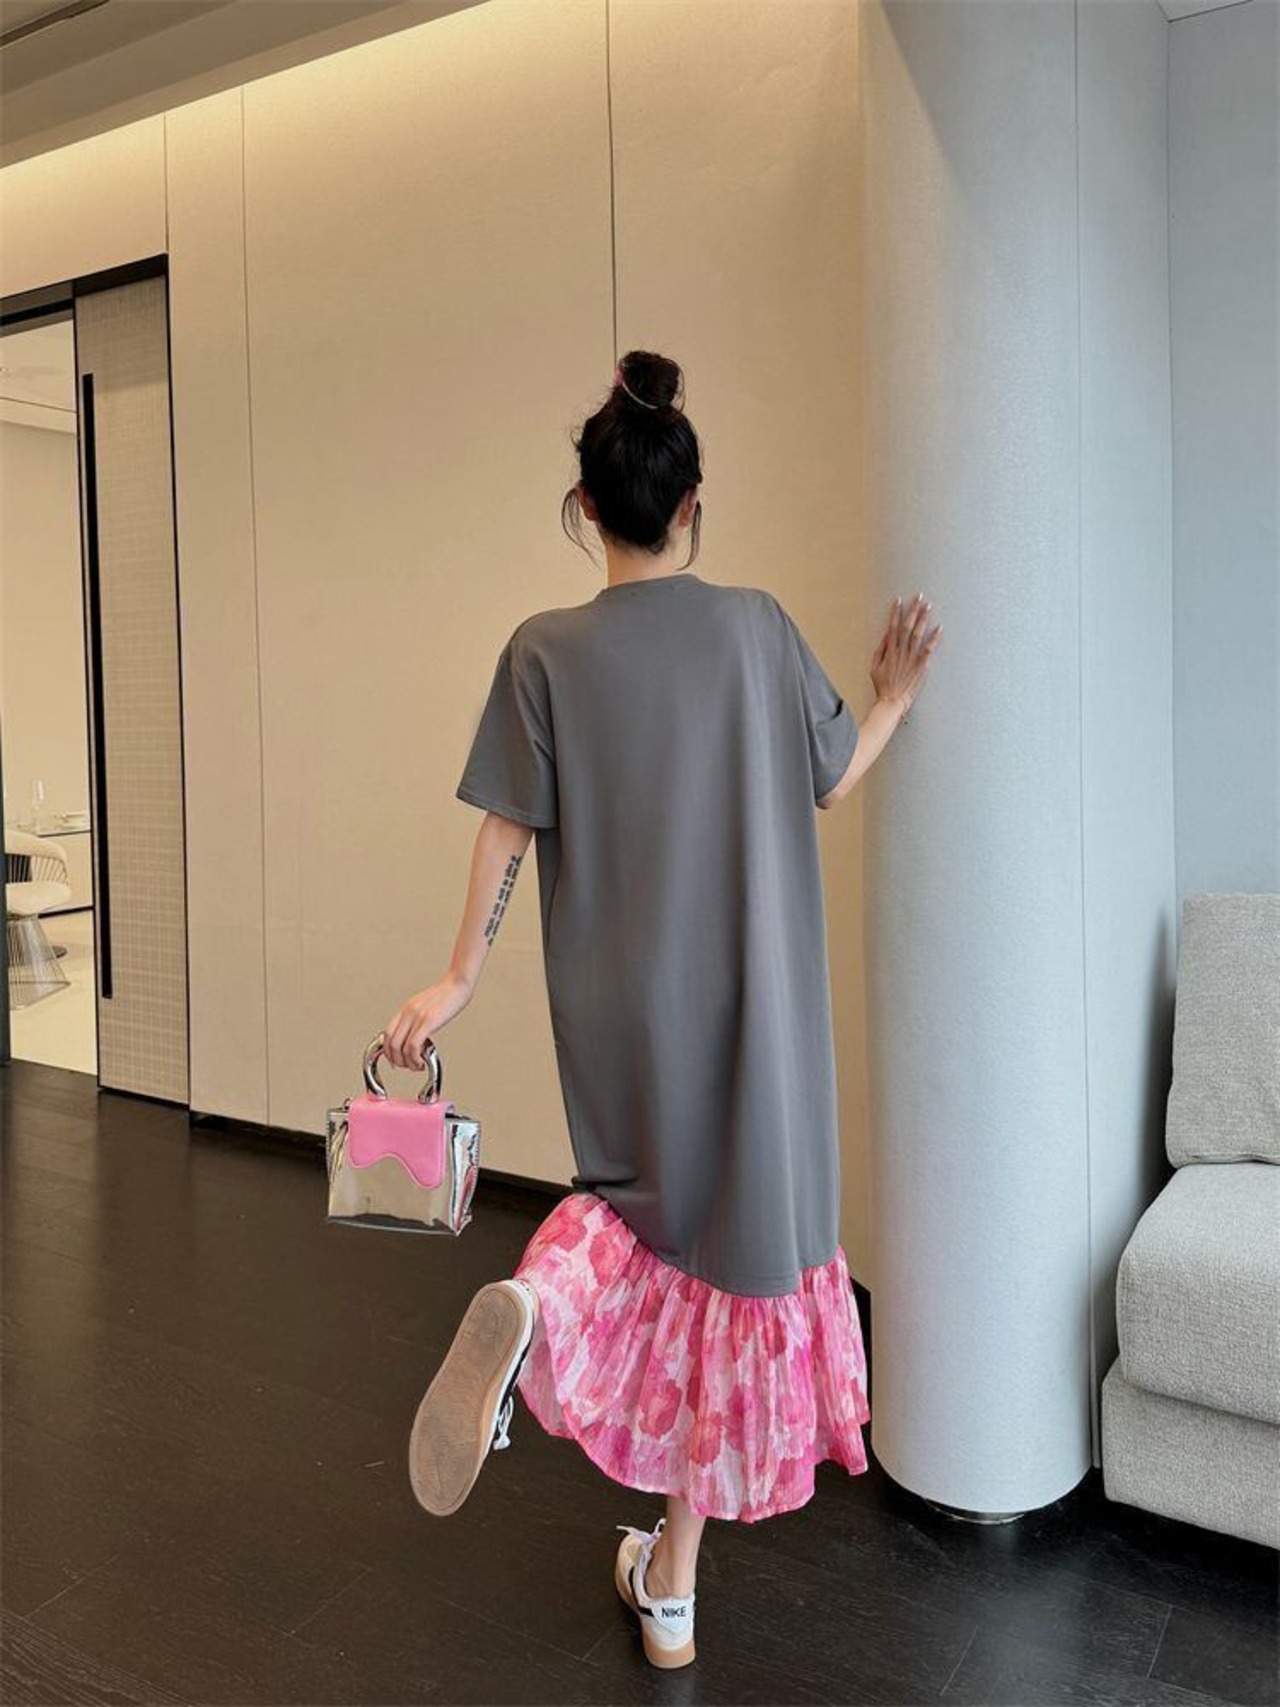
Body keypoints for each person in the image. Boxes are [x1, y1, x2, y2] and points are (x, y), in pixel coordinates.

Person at [385, 350, 942, 1671]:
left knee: (635, 1222)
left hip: (624, 1017)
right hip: (758, 1023)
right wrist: (892, 700)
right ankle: (673, 1574)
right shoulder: (756, 628)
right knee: (727, 1279)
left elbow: (506, 828)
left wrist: (456, 978)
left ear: (586, 506)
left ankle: (628, 1492)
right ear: (692, 505)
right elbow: (831, 777)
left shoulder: (542, 652)